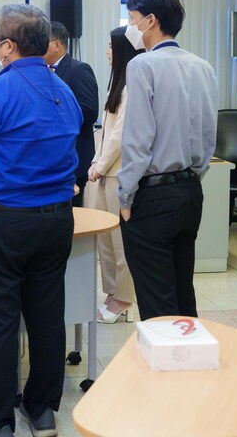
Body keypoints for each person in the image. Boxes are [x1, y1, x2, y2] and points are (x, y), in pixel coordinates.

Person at [0, 4, 81, 437]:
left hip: (3, 224)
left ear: (7, 46)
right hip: (56, 222)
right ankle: (42, 411)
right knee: (46, 317)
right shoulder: (65, 92)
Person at [116, 0, 217, 321]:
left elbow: (138, 139)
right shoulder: (202, 66)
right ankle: (190, 352)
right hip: (189, 191)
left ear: (151, 20)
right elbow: (208, 136)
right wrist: (191, 177)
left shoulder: (142, 65)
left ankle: (167, 356)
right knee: (182, 292)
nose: (130, 26)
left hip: (152, 196)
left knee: (157, 301)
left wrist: (125, 196)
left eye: (132, 18)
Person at [86, 25, 141, 323]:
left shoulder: (132, 86)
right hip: (105, 172)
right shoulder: (116, 84)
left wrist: (100, 165)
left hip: (118, 174)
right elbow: (105, 132)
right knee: (105, 240)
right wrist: (97, 162)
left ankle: (123, 298)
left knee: (120, 241)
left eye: (111, 46)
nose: (107, 51)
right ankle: (111, 291)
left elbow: (119, 137)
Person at [44, 21, 99, 207]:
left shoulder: (79, 69)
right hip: (50, 161)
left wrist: (53, 114)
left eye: (43, 42)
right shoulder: (41, 72)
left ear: (56, 44)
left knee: (73, 214)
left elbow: (89, 111)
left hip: (74, 157)